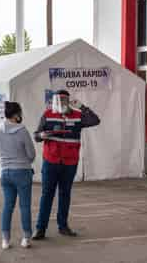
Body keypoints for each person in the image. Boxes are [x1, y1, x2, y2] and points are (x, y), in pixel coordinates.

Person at [32, 90, 100, 240]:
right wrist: (41, 135)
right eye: (60, 100)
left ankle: (63, 226)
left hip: (70, 162)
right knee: (47, 195)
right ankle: (40, 229)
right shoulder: (48, 114)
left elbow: (95, 120)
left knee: (65, 194)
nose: (62, 102)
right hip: (51, 161)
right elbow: (36, 135)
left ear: (69, 100)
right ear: (55, 100)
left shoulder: (77, 115)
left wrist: (82, 107)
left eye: (65, 100)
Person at [0, 101, 36, 250]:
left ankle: (5, 240)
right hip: (22, 171)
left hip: (5, 172)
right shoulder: (22, 131)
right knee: (24, 206)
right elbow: (31, 154)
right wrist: (25, 161)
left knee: (7, 206)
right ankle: (26, 238)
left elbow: (0, 151)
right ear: (17, 114)